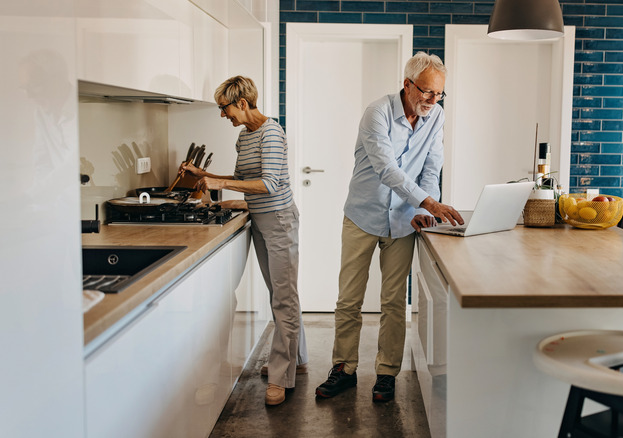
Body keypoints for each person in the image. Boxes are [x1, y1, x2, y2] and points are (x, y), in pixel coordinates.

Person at [315, 52, 463, 402]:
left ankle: (386, 374)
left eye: (439, 94)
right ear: (407, 84)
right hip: (363, 215)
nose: (432, 100)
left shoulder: (436, 116)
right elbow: (386, 169)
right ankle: (343, 368)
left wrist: (426, 206)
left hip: (403, 220)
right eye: (426, 92)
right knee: (349, 298)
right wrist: (428, 202)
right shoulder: (377, 113)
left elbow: (431, 165)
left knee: (394, 301)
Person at [180, 76, 307, 406]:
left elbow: (268, 184)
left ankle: (281, 376)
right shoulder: (244, 137)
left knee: (283, 297)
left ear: (242, 103)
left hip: (279, 221)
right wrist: (200, 174)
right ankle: (298, 359)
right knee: (280, 293)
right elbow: (240, 180)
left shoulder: (271, 133)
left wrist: (217, 182)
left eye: (224, 108)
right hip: (260, 220)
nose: (223, 115)